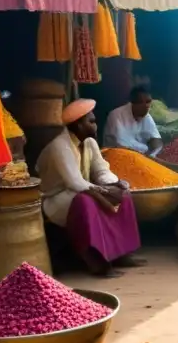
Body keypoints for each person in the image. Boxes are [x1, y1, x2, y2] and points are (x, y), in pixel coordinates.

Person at [36, 99, 143, 277]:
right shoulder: (59, 146)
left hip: (82, 190)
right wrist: (105, 193)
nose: (95, 125)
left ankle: (121, 254)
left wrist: (115, 183)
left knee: (123, 195)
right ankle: (97, 262)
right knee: (87, 202)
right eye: (91, 122)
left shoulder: (89, 143)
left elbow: (101, 170)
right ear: (78, 124)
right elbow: (74, 182)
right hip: (56, 199)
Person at [103, 86, 163, 156]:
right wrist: (145, 154)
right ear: (132, 103)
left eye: (148, 102)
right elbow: (121, 145)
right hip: (116, 155)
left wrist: (153, 153)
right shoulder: (116, 115)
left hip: (141, 157)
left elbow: (156, 140)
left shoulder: (146, 116)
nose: (146, 106)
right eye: (141, 102)